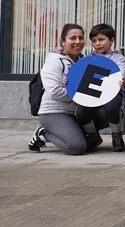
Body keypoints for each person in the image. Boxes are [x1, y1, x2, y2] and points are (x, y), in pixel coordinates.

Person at [28, 23, 100, 155]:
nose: (78, 41)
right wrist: (81, 93)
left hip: (77, 112)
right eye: (73, 38)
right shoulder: (54, 61)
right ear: (63, 41)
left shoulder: (83, 61)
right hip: (54, 112)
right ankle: (43, 133)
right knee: (76, 147)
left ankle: (83, 136)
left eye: (81, 38)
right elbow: (54, 92)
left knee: (108, 112)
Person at [73, 23, 125, 152]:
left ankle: (117, 135)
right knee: (81, 112)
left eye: (101, 39)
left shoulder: (118, 57)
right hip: (92, 93)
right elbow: (78, 74)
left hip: (113, 92)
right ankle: (93, 136)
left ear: (111, 40)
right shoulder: (88, 58)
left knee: (113, 107)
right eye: (94, 41)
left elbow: (121, 70)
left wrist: (121, 79)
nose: (97, 43)